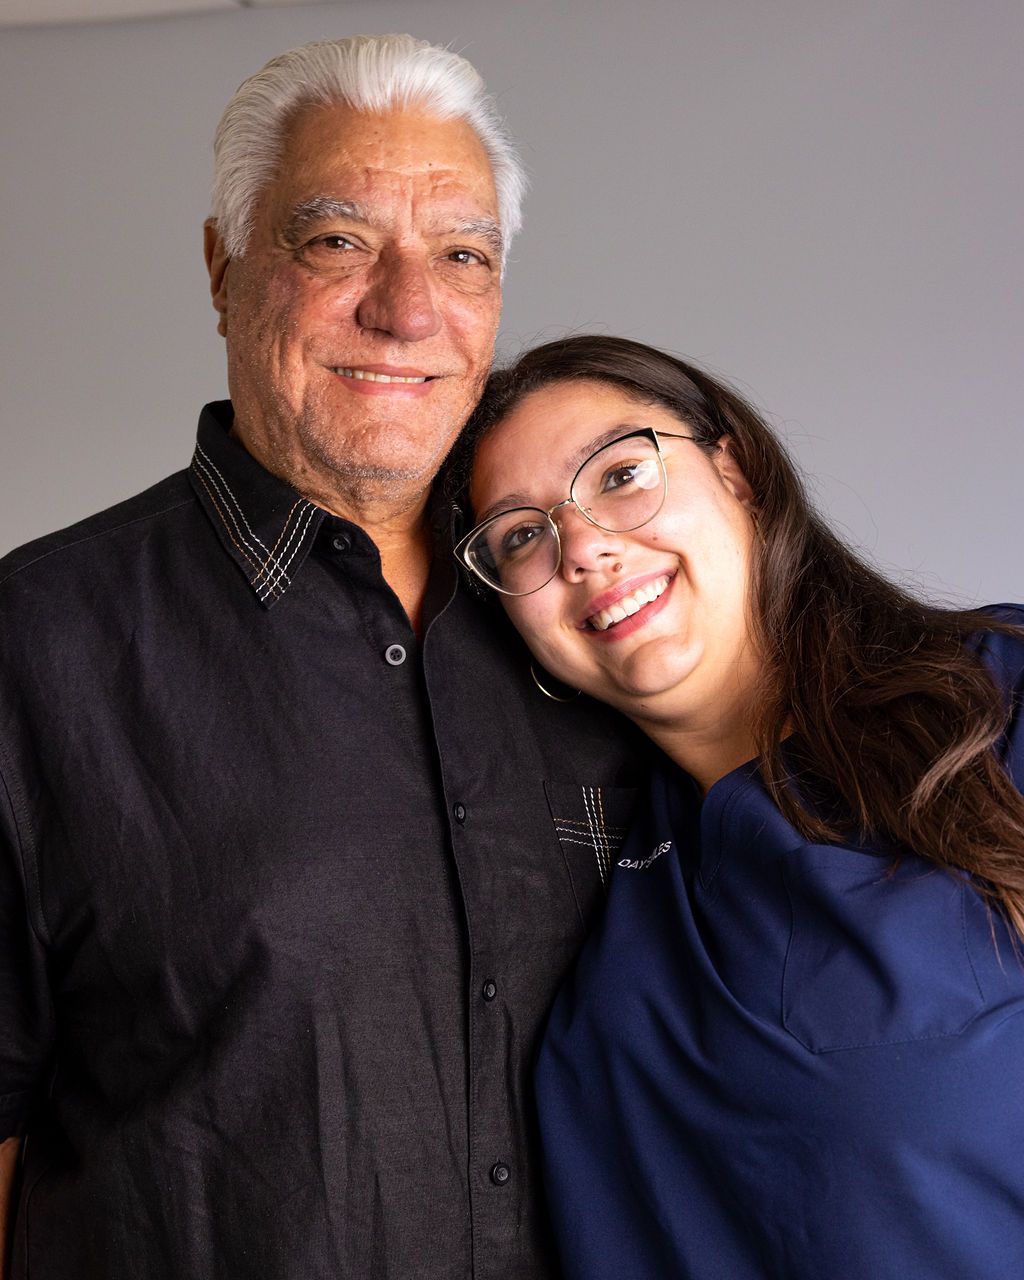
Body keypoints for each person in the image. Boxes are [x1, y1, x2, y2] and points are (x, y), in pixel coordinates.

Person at [0, 41, 644, 1280]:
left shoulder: (595, 621)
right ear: (222, 268)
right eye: (338, 241)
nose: (407, 309)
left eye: (462, 254)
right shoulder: (37, 646)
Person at [454, 333, 1024, 1279]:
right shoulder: (586, 868)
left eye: (622, 474)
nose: (585, 547)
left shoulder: (999, 703)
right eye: (522, 535)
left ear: (741, 470)